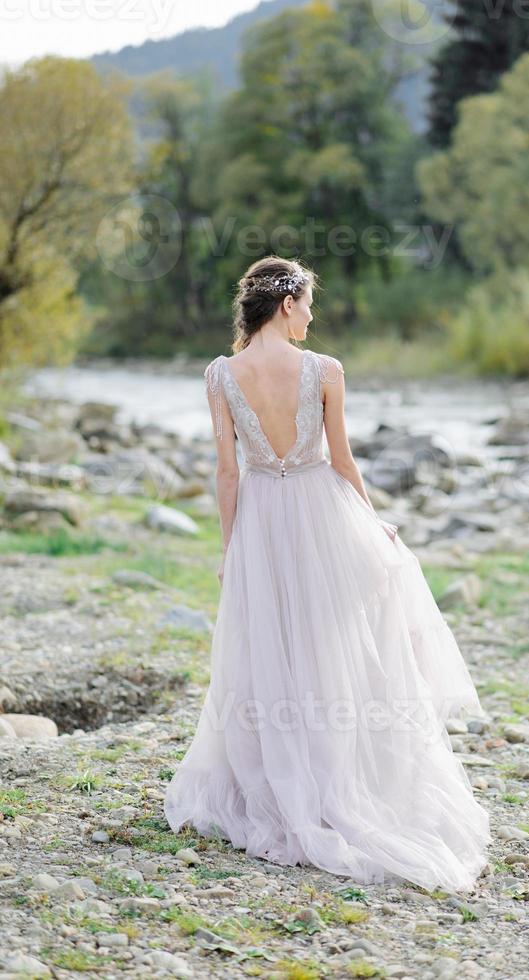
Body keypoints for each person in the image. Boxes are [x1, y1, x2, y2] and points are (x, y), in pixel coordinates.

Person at [164, 256, 492, 892]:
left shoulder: (221, 374)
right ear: (286, 304)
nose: (313, 315)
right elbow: (341, 460)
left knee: (269, 649)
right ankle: (336, 775)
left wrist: (231, 548)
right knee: (331, 644)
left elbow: (227, 471)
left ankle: (277, 778)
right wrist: (371, 522)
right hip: (319, 511)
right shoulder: (325, 370)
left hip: (260, 517)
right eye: (309, 303)